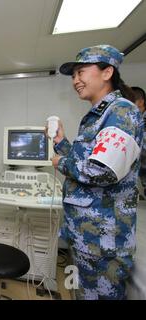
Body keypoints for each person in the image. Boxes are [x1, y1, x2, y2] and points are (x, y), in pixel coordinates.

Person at [52, 45, 143, 300]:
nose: (76, 80)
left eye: (81, 72)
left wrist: (59, 162)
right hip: (86, 239)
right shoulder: (97, 117)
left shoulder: (122, 112)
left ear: (107, 72)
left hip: (103, 246)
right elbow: (88, 160)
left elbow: (101, 170)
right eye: (73, 75)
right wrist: (61, 142)